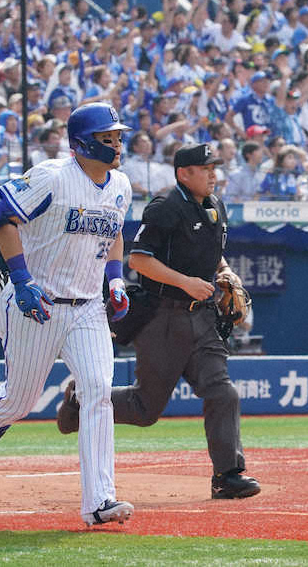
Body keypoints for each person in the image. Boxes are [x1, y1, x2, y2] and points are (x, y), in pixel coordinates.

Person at [0, 102, 135, 527]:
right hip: (38, 301)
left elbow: (116, 230)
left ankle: (99, 502)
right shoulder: (52, 176)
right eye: (109, 137)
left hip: (87, 305)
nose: (118, 143)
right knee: (20, 399)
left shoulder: (120, 184)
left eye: (119, 136)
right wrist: (21, 279)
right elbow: (0, 216)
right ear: (84, 143)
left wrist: (116, 280)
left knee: (97, 389)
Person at [56, 143, 261, 501]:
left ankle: (227, 475)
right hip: (163, 317)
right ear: (184, 174)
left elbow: (213, 256)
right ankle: (81, 398)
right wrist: (185, 282)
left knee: (223, 392)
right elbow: (138, 260)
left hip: (204, 319)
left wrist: (227, 274)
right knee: (145, 408)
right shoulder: (166, 208)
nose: (214, 174)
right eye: (206, 168)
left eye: (215, 167)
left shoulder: (215, 206)